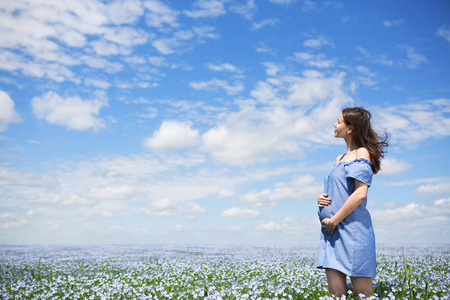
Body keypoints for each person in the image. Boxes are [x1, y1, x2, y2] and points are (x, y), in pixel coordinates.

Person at [316, 107, 389, 298]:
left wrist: (334, 220)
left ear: (350, 128)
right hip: (332, 234)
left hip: (353, 232)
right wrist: (321, 199)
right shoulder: (339, 158)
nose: (334, 124)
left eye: (338, 121)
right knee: (336, 295)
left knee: (363, 295)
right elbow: (337, 191)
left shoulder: (362, 153)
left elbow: (360, 194)